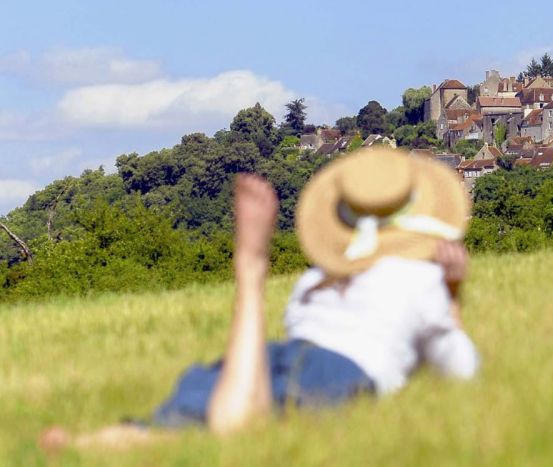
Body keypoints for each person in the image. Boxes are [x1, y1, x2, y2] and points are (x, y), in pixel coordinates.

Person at [41, 148, 478, 450]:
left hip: (275, 352)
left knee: (189, 417)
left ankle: (90, 445)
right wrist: (452, 293)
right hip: (343, 369)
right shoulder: (420, 277)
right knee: (239, 428)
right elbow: (460, 370)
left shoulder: (315, 279)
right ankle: (250, 272)